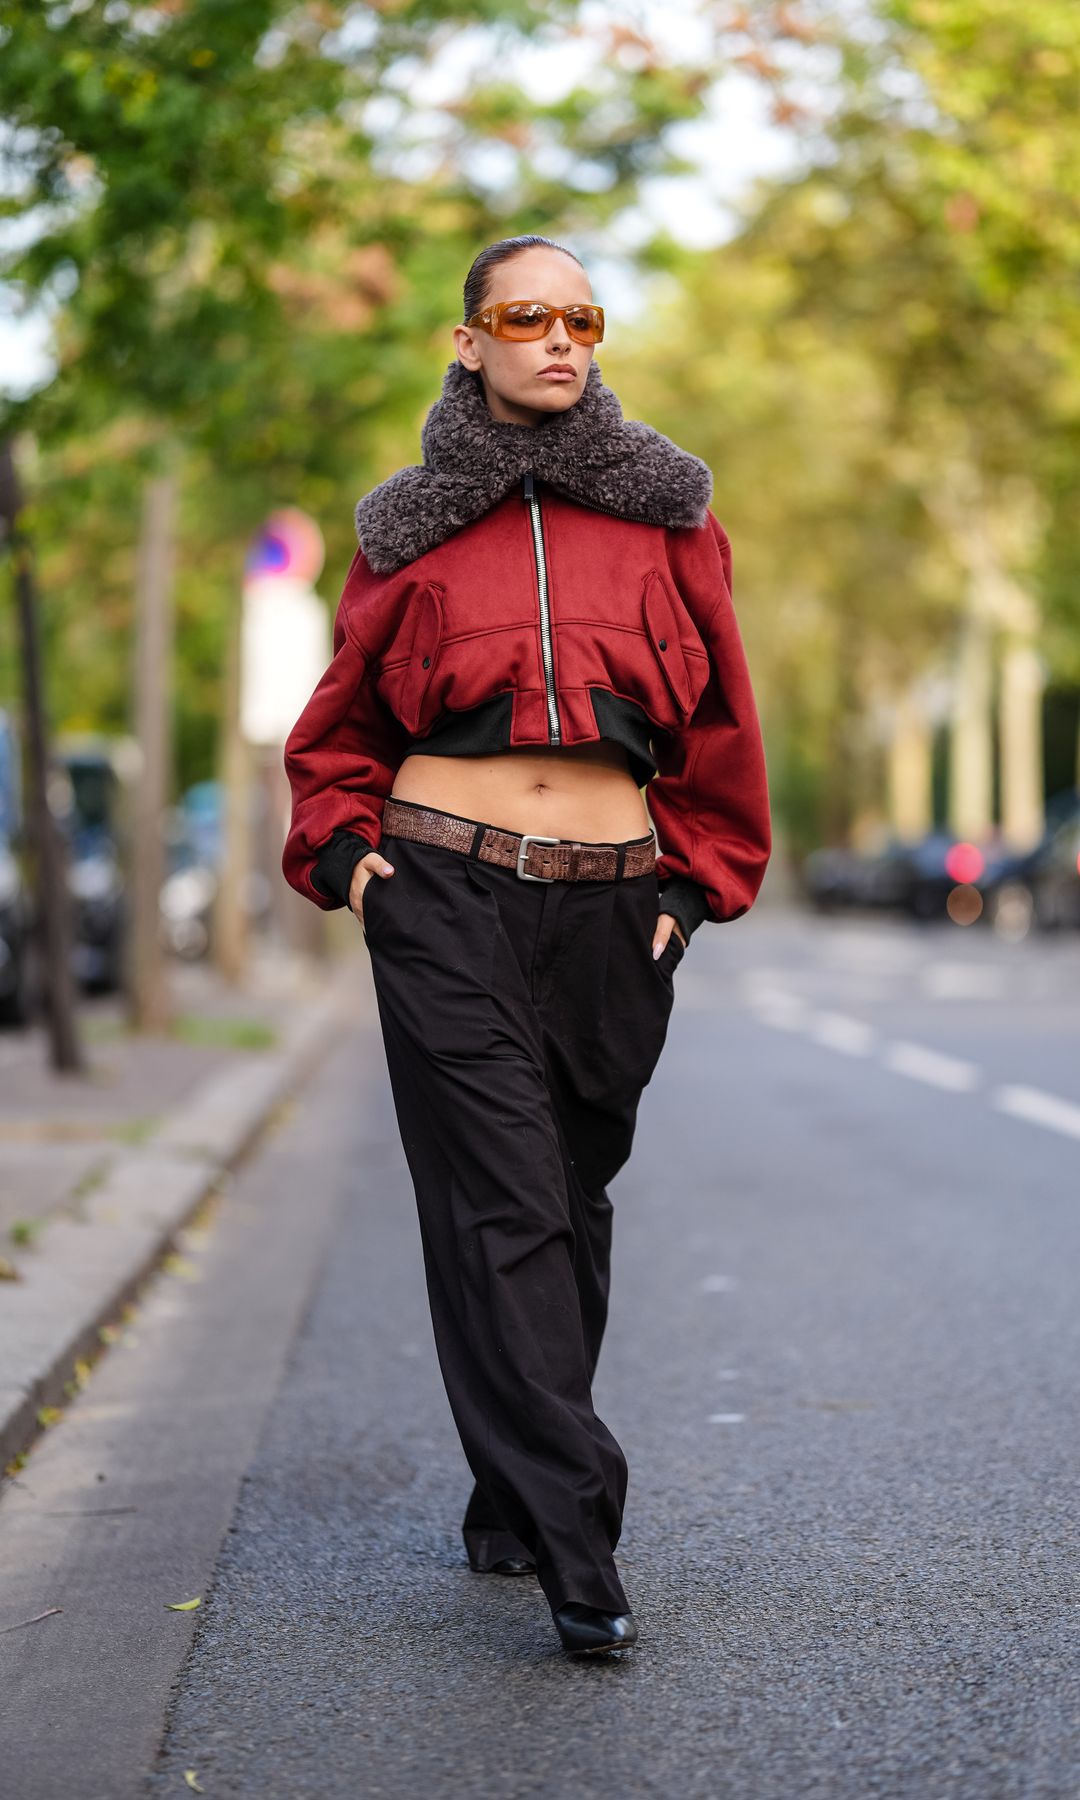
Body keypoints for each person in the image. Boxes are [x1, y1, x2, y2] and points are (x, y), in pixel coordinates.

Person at [281, 234, 772, 1657]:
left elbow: (724, 723)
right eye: (525, 315)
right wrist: (359, 871)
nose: (560, 339)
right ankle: (579, 1534)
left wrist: (691, 895)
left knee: (567, 1196)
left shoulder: (673, 516)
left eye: (583, 318)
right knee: (503, 1201)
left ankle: (507, 1487)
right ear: (468, 338)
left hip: (619, 904)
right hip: (444, 891)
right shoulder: (405, 526)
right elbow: (340, 735)